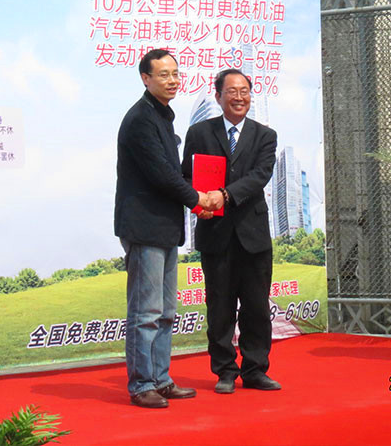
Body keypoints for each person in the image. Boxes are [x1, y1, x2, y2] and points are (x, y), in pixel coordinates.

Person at [114, 49, 216, 408]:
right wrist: (198, 200)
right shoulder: (141, 119)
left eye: (175, 73)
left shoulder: (161, 115)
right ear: (146, 79)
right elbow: (161, 174)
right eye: (163, 74)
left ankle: (161, 379)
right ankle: (142, 384)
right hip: (144, 226)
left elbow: (172, 174)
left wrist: (197, 200)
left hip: (165, 226)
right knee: (146, 313)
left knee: (166, 312)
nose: (172, 80)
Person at [182, 69, 280, 393]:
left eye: (244, 91)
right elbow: (187, 176)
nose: (239, 97)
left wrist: (225, 195)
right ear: (218, 96)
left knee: (256, 307)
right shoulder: (199, 132)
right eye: (232, 91)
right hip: (215, 232)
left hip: (253, 235)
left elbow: (260, 176)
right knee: (220, 308)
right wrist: (198, 203)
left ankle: (255, 369)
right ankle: (224, 371)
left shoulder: (265, 135)